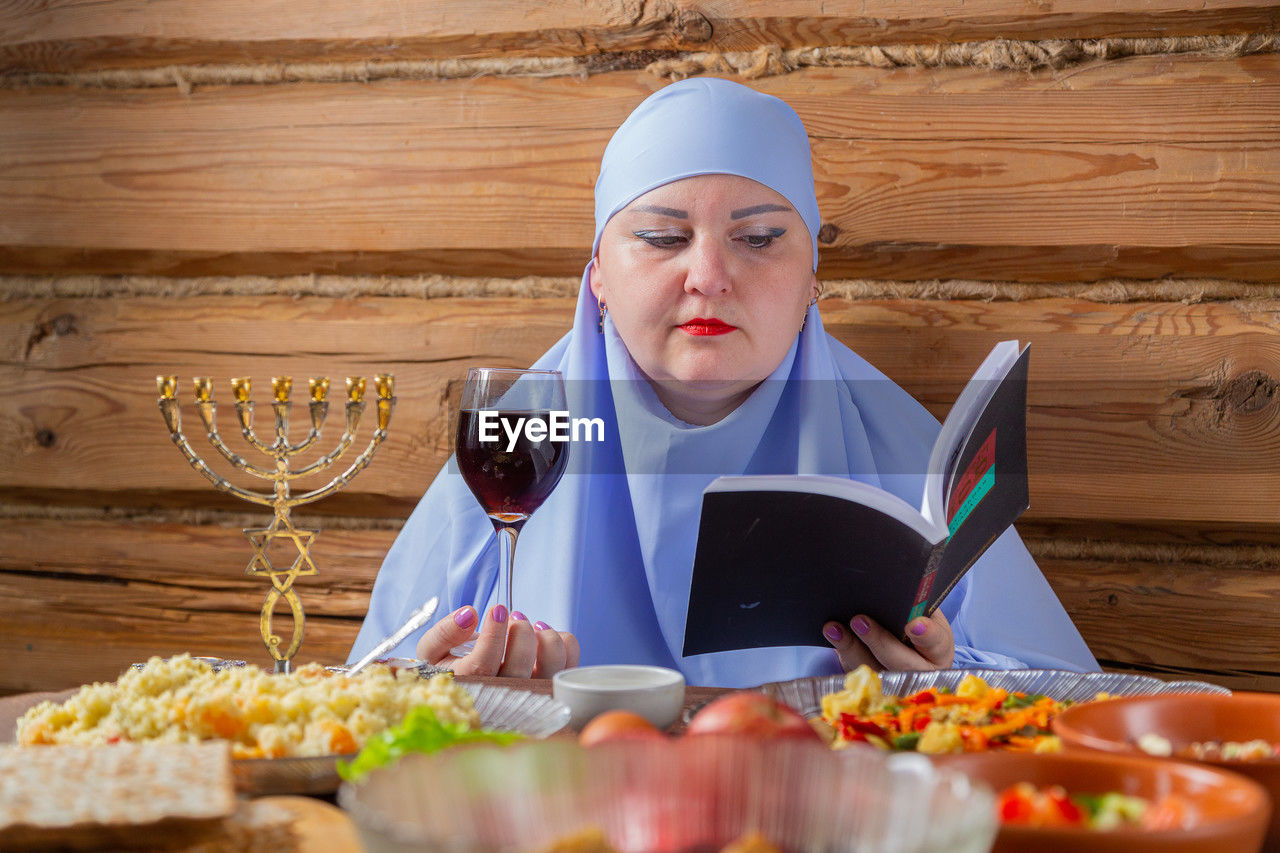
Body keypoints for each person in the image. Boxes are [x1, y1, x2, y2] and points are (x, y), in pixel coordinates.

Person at [349, 78, 1097, 687]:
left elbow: (1057, 696)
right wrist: (454, 692)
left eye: (760, 239)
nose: (708, 277)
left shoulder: (901, 446)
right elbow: (372, 684)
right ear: (599, 276)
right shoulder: (514, 443)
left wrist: (938, 684)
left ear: (812, 274)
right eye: (663, 238)